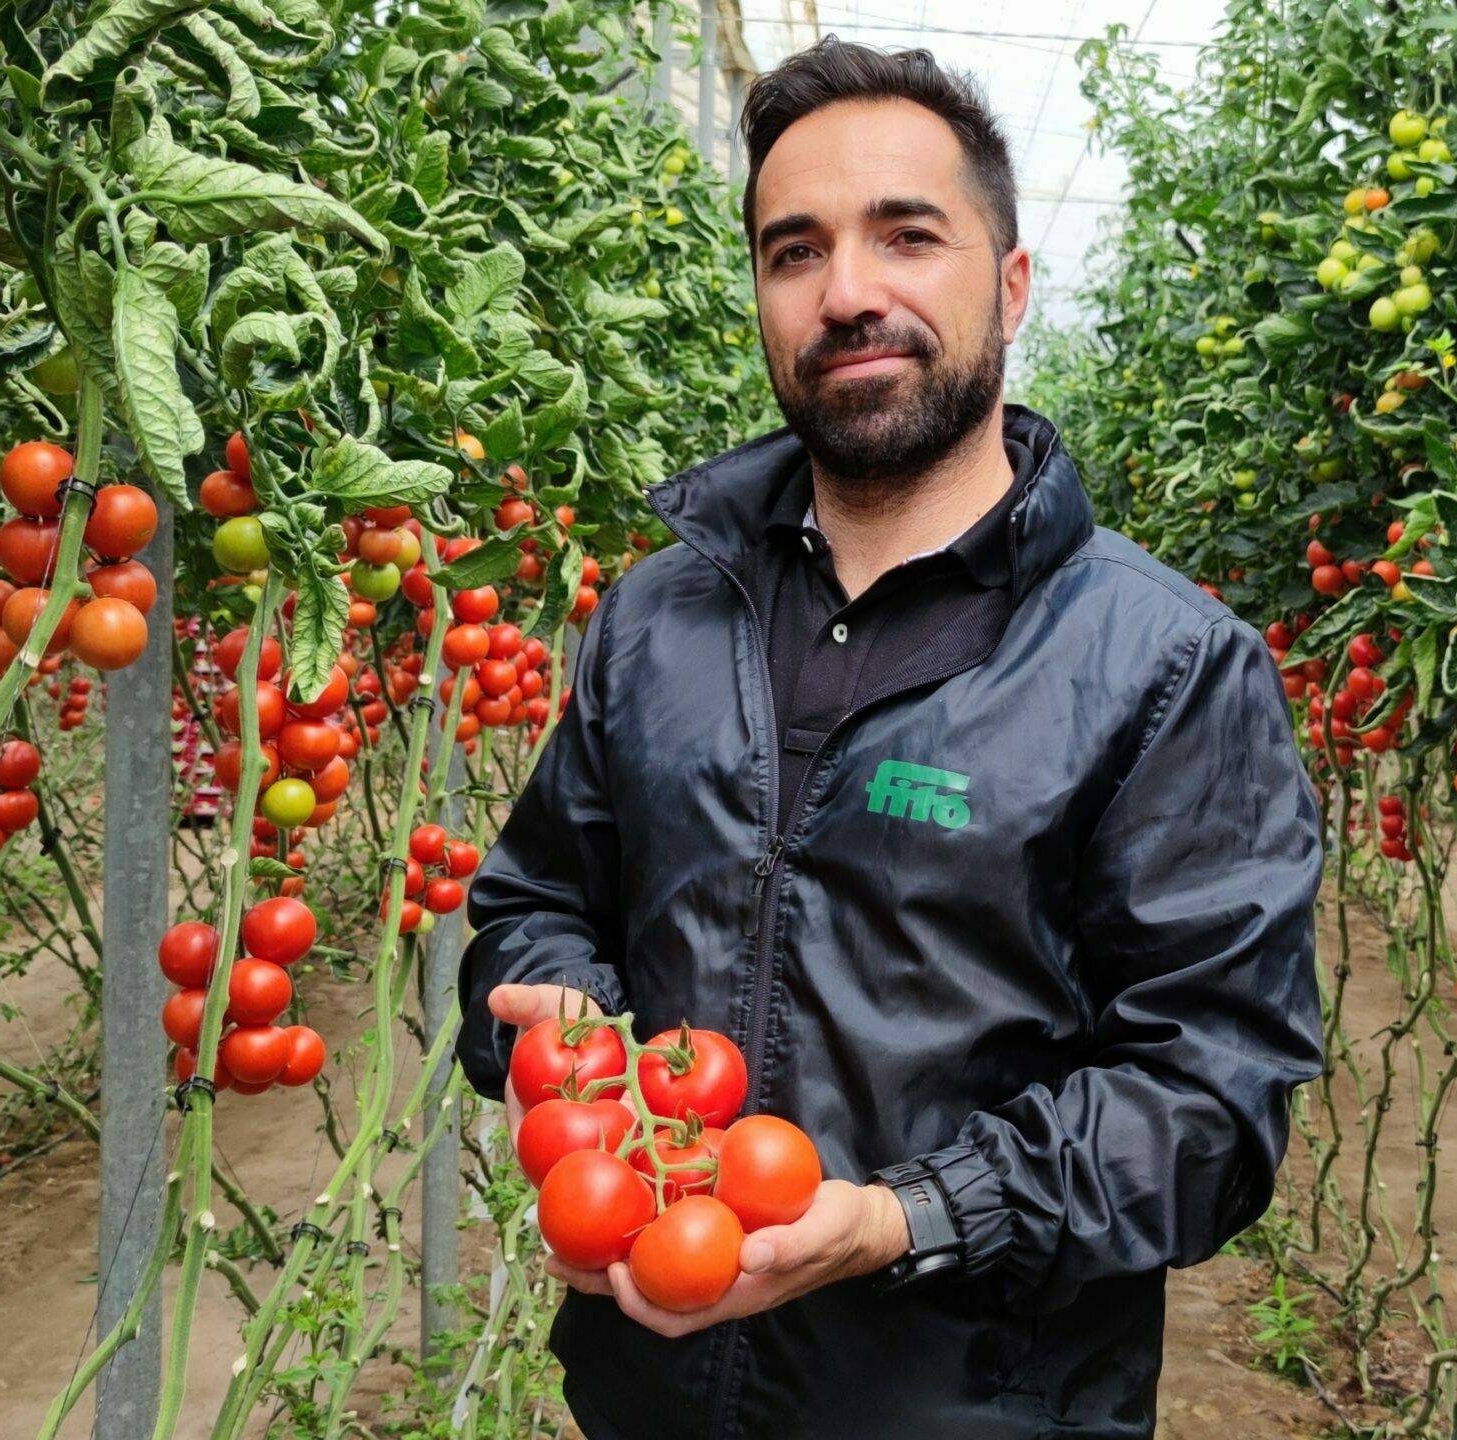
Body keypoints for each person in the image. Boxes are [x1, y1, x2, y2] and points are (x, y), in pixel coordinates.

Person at [459, 37, 1325, 1440]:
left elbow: (1210, 1108)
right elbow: (538, 898)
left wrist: (897, 1218)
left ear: (1012, 281)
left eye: (906, 236)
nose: (847, 291)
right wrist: (553, 1026)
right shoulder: (658, 617)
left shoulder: (1167, 669)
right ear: (758, 297)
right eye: (794, 252)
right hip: (647, 1395)